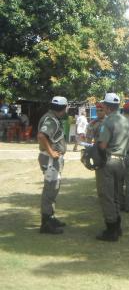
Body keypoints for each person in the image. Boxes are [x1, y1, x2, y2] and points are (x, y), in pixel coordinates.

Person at [96, 93, 129, 241]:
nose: (102, 106)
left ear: (107, 106)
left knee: (106, 195)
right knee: (116, 194)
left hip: (109, 161)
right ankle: (117, 226)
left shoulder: (108, 121)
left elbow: (103, 145)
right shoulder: (126, 120)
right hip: (122, 161)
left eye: (103, 104)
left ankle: (111, 229)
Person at [37, 96, 69, 234]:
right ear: (64, 108)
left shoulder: (52, 117)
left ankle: (50, 217)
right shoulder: (51, 120)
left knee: (53, 189)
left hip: (51, 160)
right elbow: (41, 136)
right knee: (50, 190)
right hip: (50, 160)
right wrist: (51, 152)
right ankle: (46, 224)